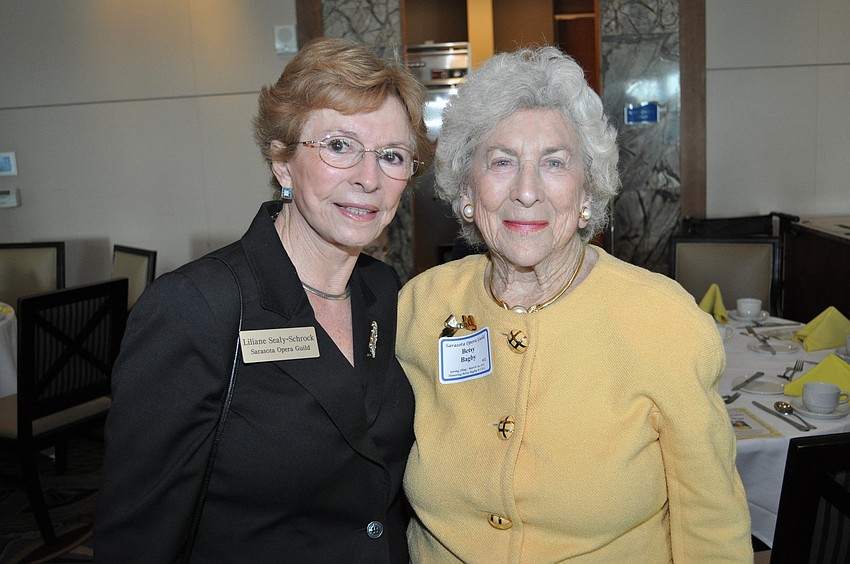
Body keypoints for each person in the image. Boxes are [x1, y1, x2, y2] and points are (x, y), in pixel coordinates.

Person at [396, 46, 752, 562]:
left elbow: (712, 526)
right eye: (501, 161)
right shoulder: (421, 307)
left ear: (587, 191)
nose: (526, 191)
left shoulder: (663, 322)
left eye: (554, 163)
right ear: (467, 189)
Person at [95, 37, 433, 563]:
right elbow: (137, 537)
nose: (368, 178)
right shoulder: (196, 308)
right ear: (282, 160)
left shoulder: (384, 291)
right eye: (340, 146)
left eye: (391, 156)